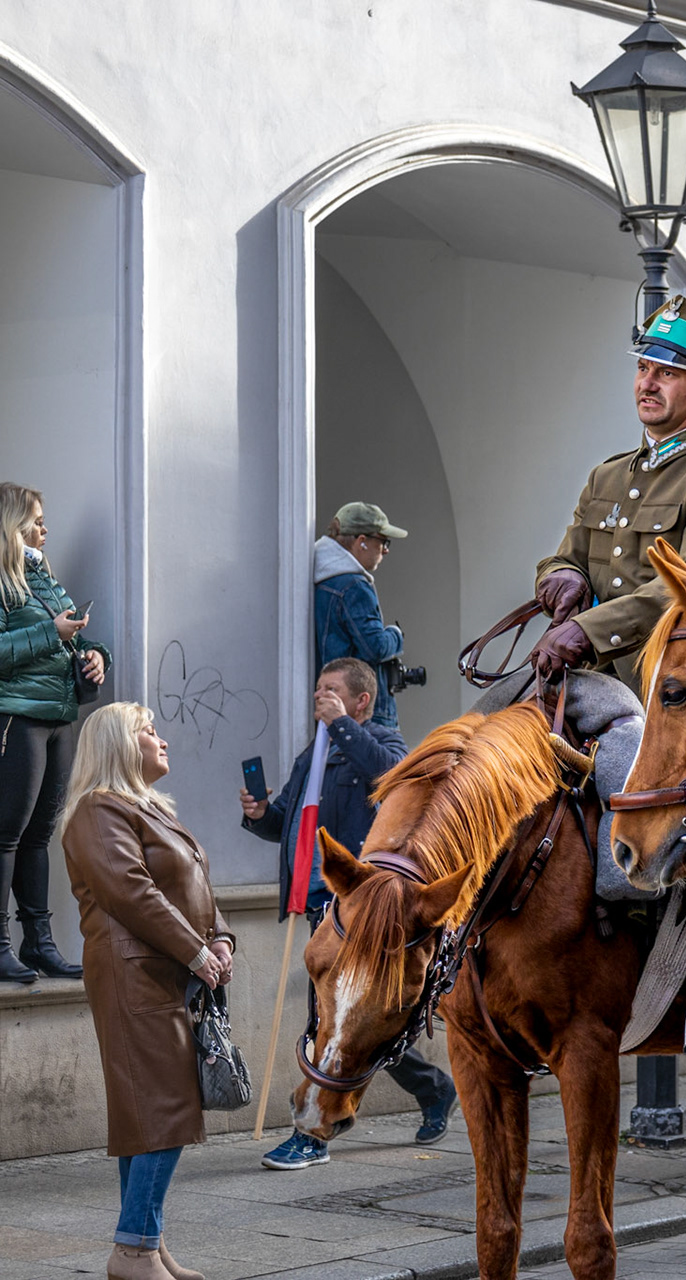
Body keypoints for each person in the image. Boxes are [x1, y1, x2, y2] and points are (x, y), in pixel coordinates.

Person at [529, 293, 686, 1059]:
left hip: (677, 690)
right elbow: (565, 552)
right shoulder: (607, 475)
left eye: (669, 372)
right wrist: (559, 579)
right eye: (644, 368)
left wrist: (587, 628)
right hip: (592, 685)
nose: (649, 382)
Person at [241, 657, 456, 1169]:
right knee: (347, 1022)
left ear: (361, 701)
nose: (320, 697)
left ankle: (312, 1133)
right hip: (317, 900)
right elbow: (290, 822)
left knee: (333, 1021)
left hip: (361, 911)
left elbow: (390, 779)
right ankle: (434, 1089)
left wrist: (340, 725)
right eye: (319, 689)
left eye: (332, 690)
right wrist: (260, 815)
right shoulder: (313, 753)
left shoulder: (384, 742)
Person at [61, 702, 232, 1280]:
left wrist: (220, 938)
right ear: (117, 744)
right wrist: (197, 951)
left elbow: (194, 885)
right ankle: (133, 1250)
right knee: (164, 1108)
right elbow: (131, 891)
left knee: (149, 1112)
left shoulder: (146, 808)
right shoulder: (97, 809)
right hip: (133, 974)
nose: (163, 740)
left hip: (164, 971)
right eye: (148, 731)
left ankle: (145, 1245)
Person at [0, 483, 107, 983]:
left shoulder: (42, 575)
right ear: (13, 523)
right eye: (37, 520)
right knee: (6, 834)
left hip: (59, 718)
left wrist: (96, 656)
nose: (46, 529)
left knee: (39, 835)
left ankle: (38, 945)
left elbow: (75, 635)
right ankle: (1, 946)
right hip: (17, 717)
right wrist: (52, 633)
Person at [314, 503, 407, 729]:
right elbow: (375, 647)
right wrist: (395, 635)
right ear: (361, 541)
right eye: (383, 542)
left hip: (334, 707)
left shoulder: (321, 579)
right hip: (364, 714)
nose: (385, 550)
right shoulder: (354, 586)